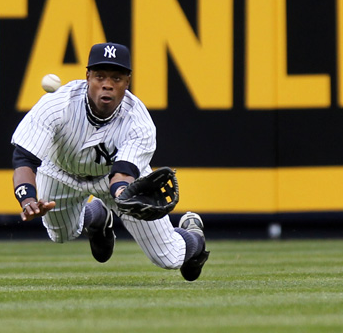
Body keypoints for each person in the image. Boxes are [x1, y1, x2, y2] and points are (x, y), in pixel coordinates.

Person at [11, 42, 209, 281]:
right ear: (87, 77)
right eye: (100, 76)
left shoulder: (138, 121)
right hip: (60, 172)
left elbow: (122, 174)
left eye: (116, 78)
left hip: (113, 179)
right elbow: (24, 158)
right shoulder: (57, 105)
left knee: (170, 258)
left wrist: (123, 195)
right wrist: (28, 200)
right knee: (61, 235)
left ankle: (195, 236)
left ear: (127, 82)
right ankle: (97, 216)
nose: (107, 84)